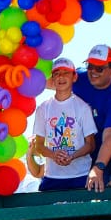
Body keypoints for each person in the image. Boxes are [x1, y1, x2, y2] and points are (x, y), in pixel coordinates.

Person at [32, 56, 97, 191]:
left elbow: (90, 144)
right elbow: (38, 145)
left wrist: (71, 156)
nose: (61, 77)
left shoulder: (83, 108)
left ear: (74, 77)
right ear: (53, 79)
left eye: (66, 73)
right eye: (57, 74)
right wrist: (54, 155)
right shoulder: (43, 109)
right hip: (52, 176)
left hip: (80, 175)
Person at [78, 44, 111, 192]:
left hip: (106, 165)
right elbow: (46, 82)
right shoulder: (77, 78)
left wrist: (98, 167)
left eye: (99, 68)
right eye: (90, 66)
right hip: (76, 159)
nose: (93, 72)